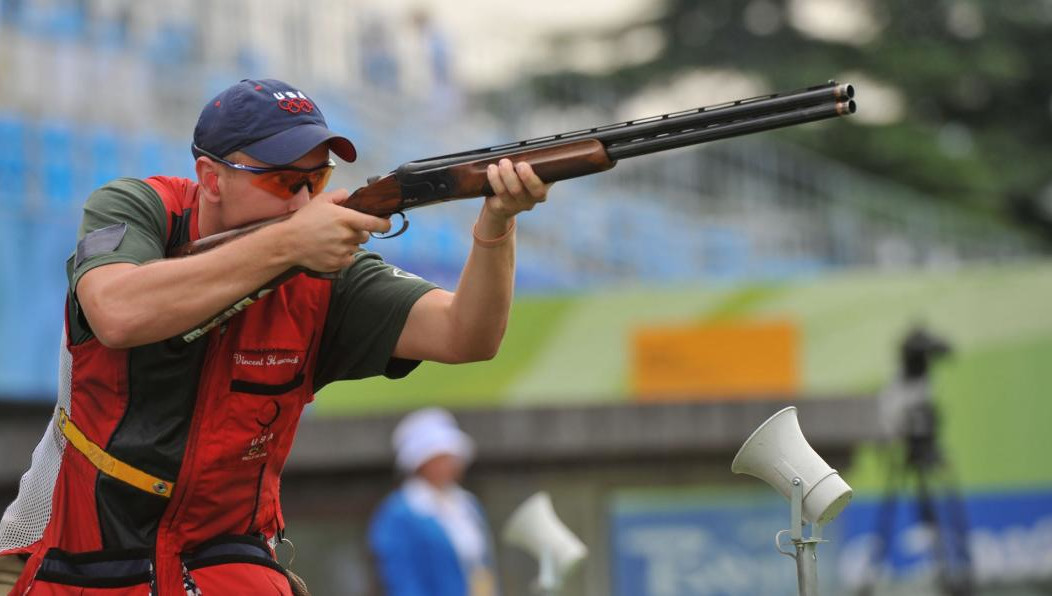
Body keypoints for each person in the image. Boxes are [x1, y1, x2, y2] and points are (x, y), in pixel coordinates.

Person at [0, 78, 549, 595]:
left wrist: (496, 227)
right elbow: (117, 312)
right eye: (286, 181)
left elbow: (466, 335)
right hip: (76, 553)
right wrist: (288, 246)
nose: (305, 202)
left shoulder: (325, 272)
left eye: (319, 180)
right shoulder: (140, 208)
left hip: (224, 558)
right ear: (212, 178)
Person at [369, 408, 498, 596]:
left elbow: (483, 567)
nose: (450, 465)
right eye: (440, 458)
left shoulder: (468, 504)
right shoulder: (398, 513)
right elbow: (402, 580)